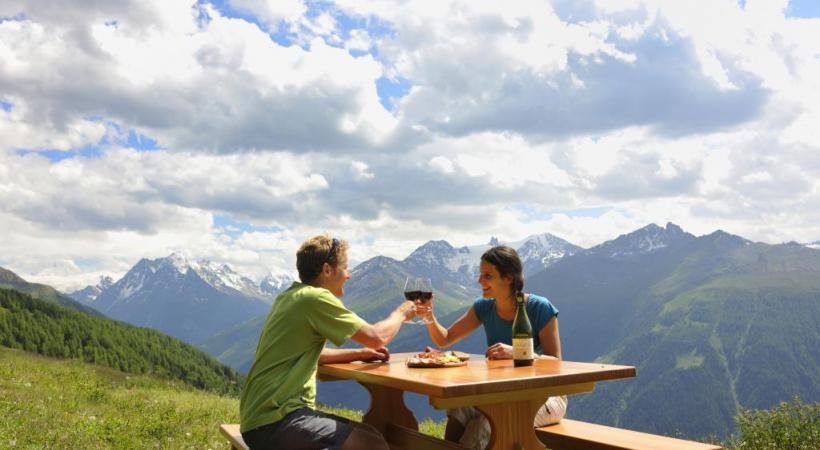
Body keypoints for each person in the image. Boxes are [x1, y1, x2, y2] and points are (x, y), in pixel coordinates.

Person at [240, 235, 416, 450]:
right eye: (345, 267)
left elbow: (317, 355)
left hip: (260, 418)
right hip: (276, 420)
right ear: (326, 270)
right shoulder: (315, 298)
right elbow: (377, 337)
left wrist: (360, 353)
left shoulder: (290, 296)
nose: (349, 275)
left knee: (371, 433)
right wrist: (401, 313)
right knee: (374, 445)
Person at [416, 245, 566, 450]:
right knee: (460, 407)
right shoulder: (484, 307)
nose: (480, 281)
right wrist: (428, 315)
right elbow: (445, 339)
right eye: (480, 274)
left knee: (485, 425)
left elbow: (556, 363)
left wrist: (521, 353)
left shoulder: (540, 307)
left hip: (544, 396)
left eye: (488, 275)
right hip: (499, 392)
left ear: (508, 278)